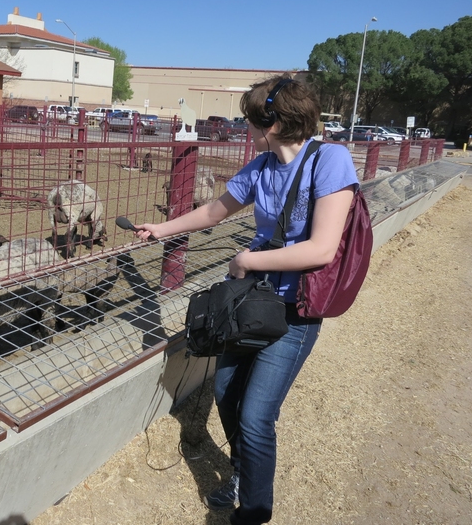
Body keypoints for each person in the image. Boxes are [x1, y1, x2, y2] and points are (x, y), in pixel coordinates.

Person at [133, 76, 358, 525]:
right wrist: (161, 230)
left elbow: (322, 248)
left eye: (252, 120)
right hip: (250, 306)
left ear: (273, 122)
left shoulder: (330, 160)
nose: (246, 128)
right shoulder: (261, 167)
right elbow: (215, 211)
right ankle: (242, 471)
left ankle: (253, 513)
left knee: (256, 417)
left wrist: (249, 260)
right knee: (224, 392)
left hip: (294, 312)